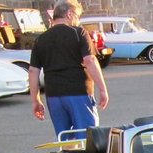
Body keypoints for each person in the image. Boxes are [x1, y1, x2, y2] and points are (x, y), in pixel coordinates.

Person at [28, 0, 108, 140]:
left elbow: (33, 71)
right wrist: (102, 89)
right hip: (78, 92)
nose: (77, 21)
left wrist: (35, 100)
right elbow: (90, 60)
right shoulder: (78, 33)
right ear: (69, 13)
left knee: (64, 138)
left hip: (53, 96)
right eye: (77, 16)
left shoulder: (41, 39)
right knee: (87, 137)